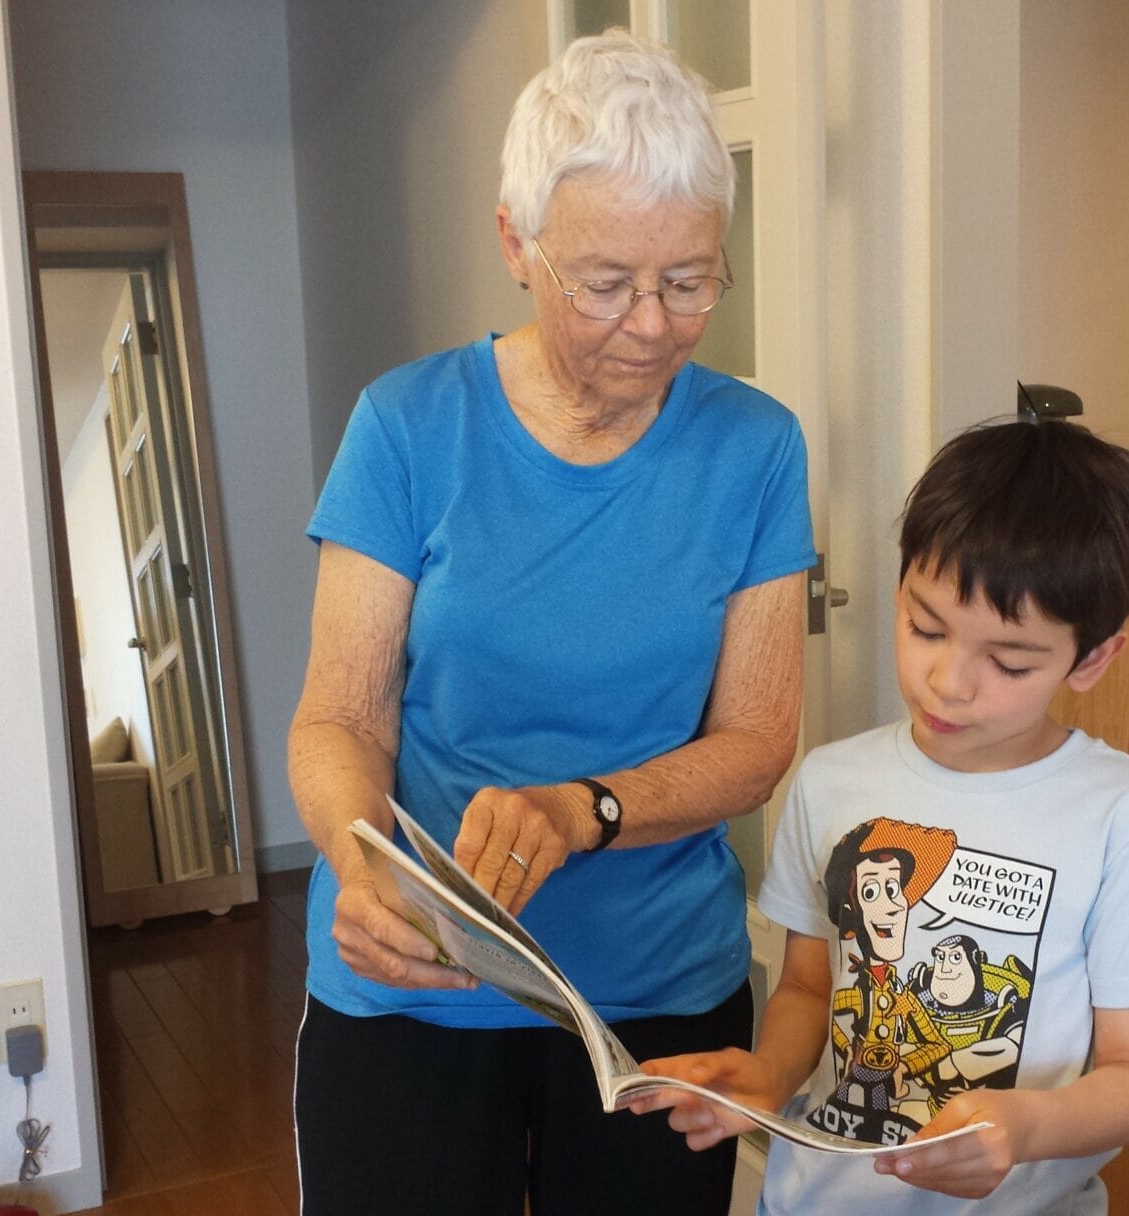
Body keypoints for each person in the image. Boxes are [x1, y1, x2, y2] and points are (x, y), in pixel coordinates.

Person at [286, 30, 814, 1216]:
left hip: (656, 994)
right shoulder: (408, 426)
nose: (652, 323)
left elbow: (755, 738)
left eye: (688, 280)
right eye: (607, 282)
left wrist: (585, 811)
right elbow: (338, 715)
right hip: (411, 985)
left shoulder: (755, 446)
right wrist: (355, 865)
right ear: (515, 243)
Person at [632, 418, 1129, 1214]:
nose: (949, 681)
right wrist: (769, 1073)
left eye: (1008, 662)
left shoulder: (1128, 817)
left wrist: (1023, 1123)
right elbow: (810, 984)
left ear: (1092, 659)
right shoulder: (833, 780)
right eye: (925, 627)